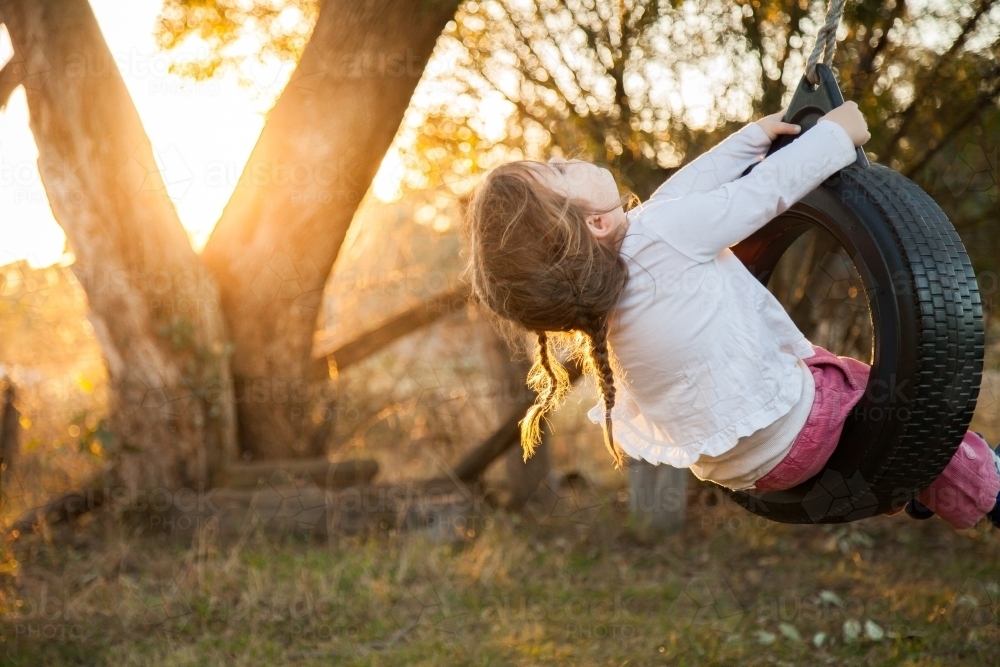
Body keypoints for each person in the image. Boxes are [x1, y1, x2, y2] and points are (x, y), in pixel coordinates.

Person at [464, 101, 1000, 532]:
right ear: (598, 225)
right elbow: (764, 194)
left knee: (843, 389)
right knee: (901, 410)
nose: (567, 157)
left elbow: (682, 190)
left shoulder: (615, 283)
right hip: (800, 431)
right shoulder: (663, 235)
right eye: (558, 171)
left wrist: (754, 137)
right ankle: (986, 488)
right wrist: (835, 136)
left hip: (753, 472)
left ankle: (922, 483)